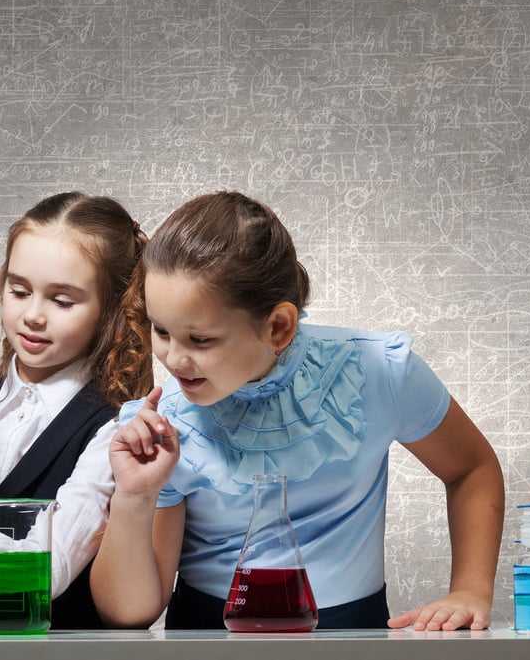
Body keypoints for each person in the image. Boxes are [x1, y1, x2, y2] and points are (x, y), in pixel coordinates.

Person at [90, 191, 505, 632]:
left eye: (200, 339)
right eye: (162, 331)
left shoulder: (377, 371)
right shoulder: (163, 423)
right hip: (207, 636)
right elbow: (130, 613)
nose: (173, 359)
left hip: (352, 634)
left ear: (278, 326)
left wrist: (471, 590)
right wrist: (134, 497)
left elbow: (471, 469)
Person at [0, 191, 151, 628]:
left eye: (62, 301)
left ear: (112, 309)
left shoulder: (117, 428)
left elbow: (49, 567)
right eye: (18, 290)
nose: (33, 315)